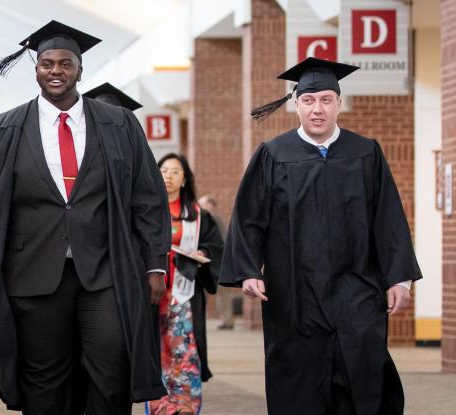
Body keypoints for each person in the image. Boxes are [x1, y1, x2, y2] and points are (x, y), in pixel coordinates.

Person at [0, 20, 170, 415]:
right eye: (46, 64)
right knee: (44, 376)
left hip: (106, 267)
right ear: (36, 69)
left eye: (65, 63)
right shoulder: (2, 128)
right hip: (31, 272)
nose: (55, 71)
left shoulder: (119, 124)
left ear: (80, 69)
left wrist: (155, 264)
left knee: (111, 365)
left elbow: (147, 198)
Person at [223, 57, 420, 414]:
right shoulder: (273, 155)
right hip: (295, 294)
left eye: (327, 100)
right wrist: (249, 270)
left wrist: (400, 279)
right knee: (299, 383)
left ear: (339, 104)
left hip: (357, 289)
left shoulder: (365, 152)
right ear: (295, 105)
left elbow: (388, 218)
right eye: (310, 101)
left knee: (362, 374)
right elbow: (250, 217)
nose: (318, 109)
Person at [146, 154, 223, 415]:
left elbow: (216, 247)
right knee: (157, 351)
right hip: (152, 294)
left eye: (175, 171)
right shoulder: (146, 211)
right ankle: (160, 407)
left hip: (184, 295)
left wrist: (203, 253)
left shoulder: (198, 215)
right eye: (163, 170)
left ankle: (185, 408)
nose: (168, 175)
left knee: (185, 350)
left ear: (184, 179)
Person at [197, 194, 239, 330]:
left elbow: (223, 240)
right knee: (205, 294)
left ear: (210, 205)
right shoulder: (203, 218)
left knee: (222, 293)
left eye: (203, 204)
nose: (200, 206)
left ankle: (227, 320)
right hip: (206, 262)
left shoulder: (214, 219)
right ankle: (221, 320)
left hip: (217, 263)